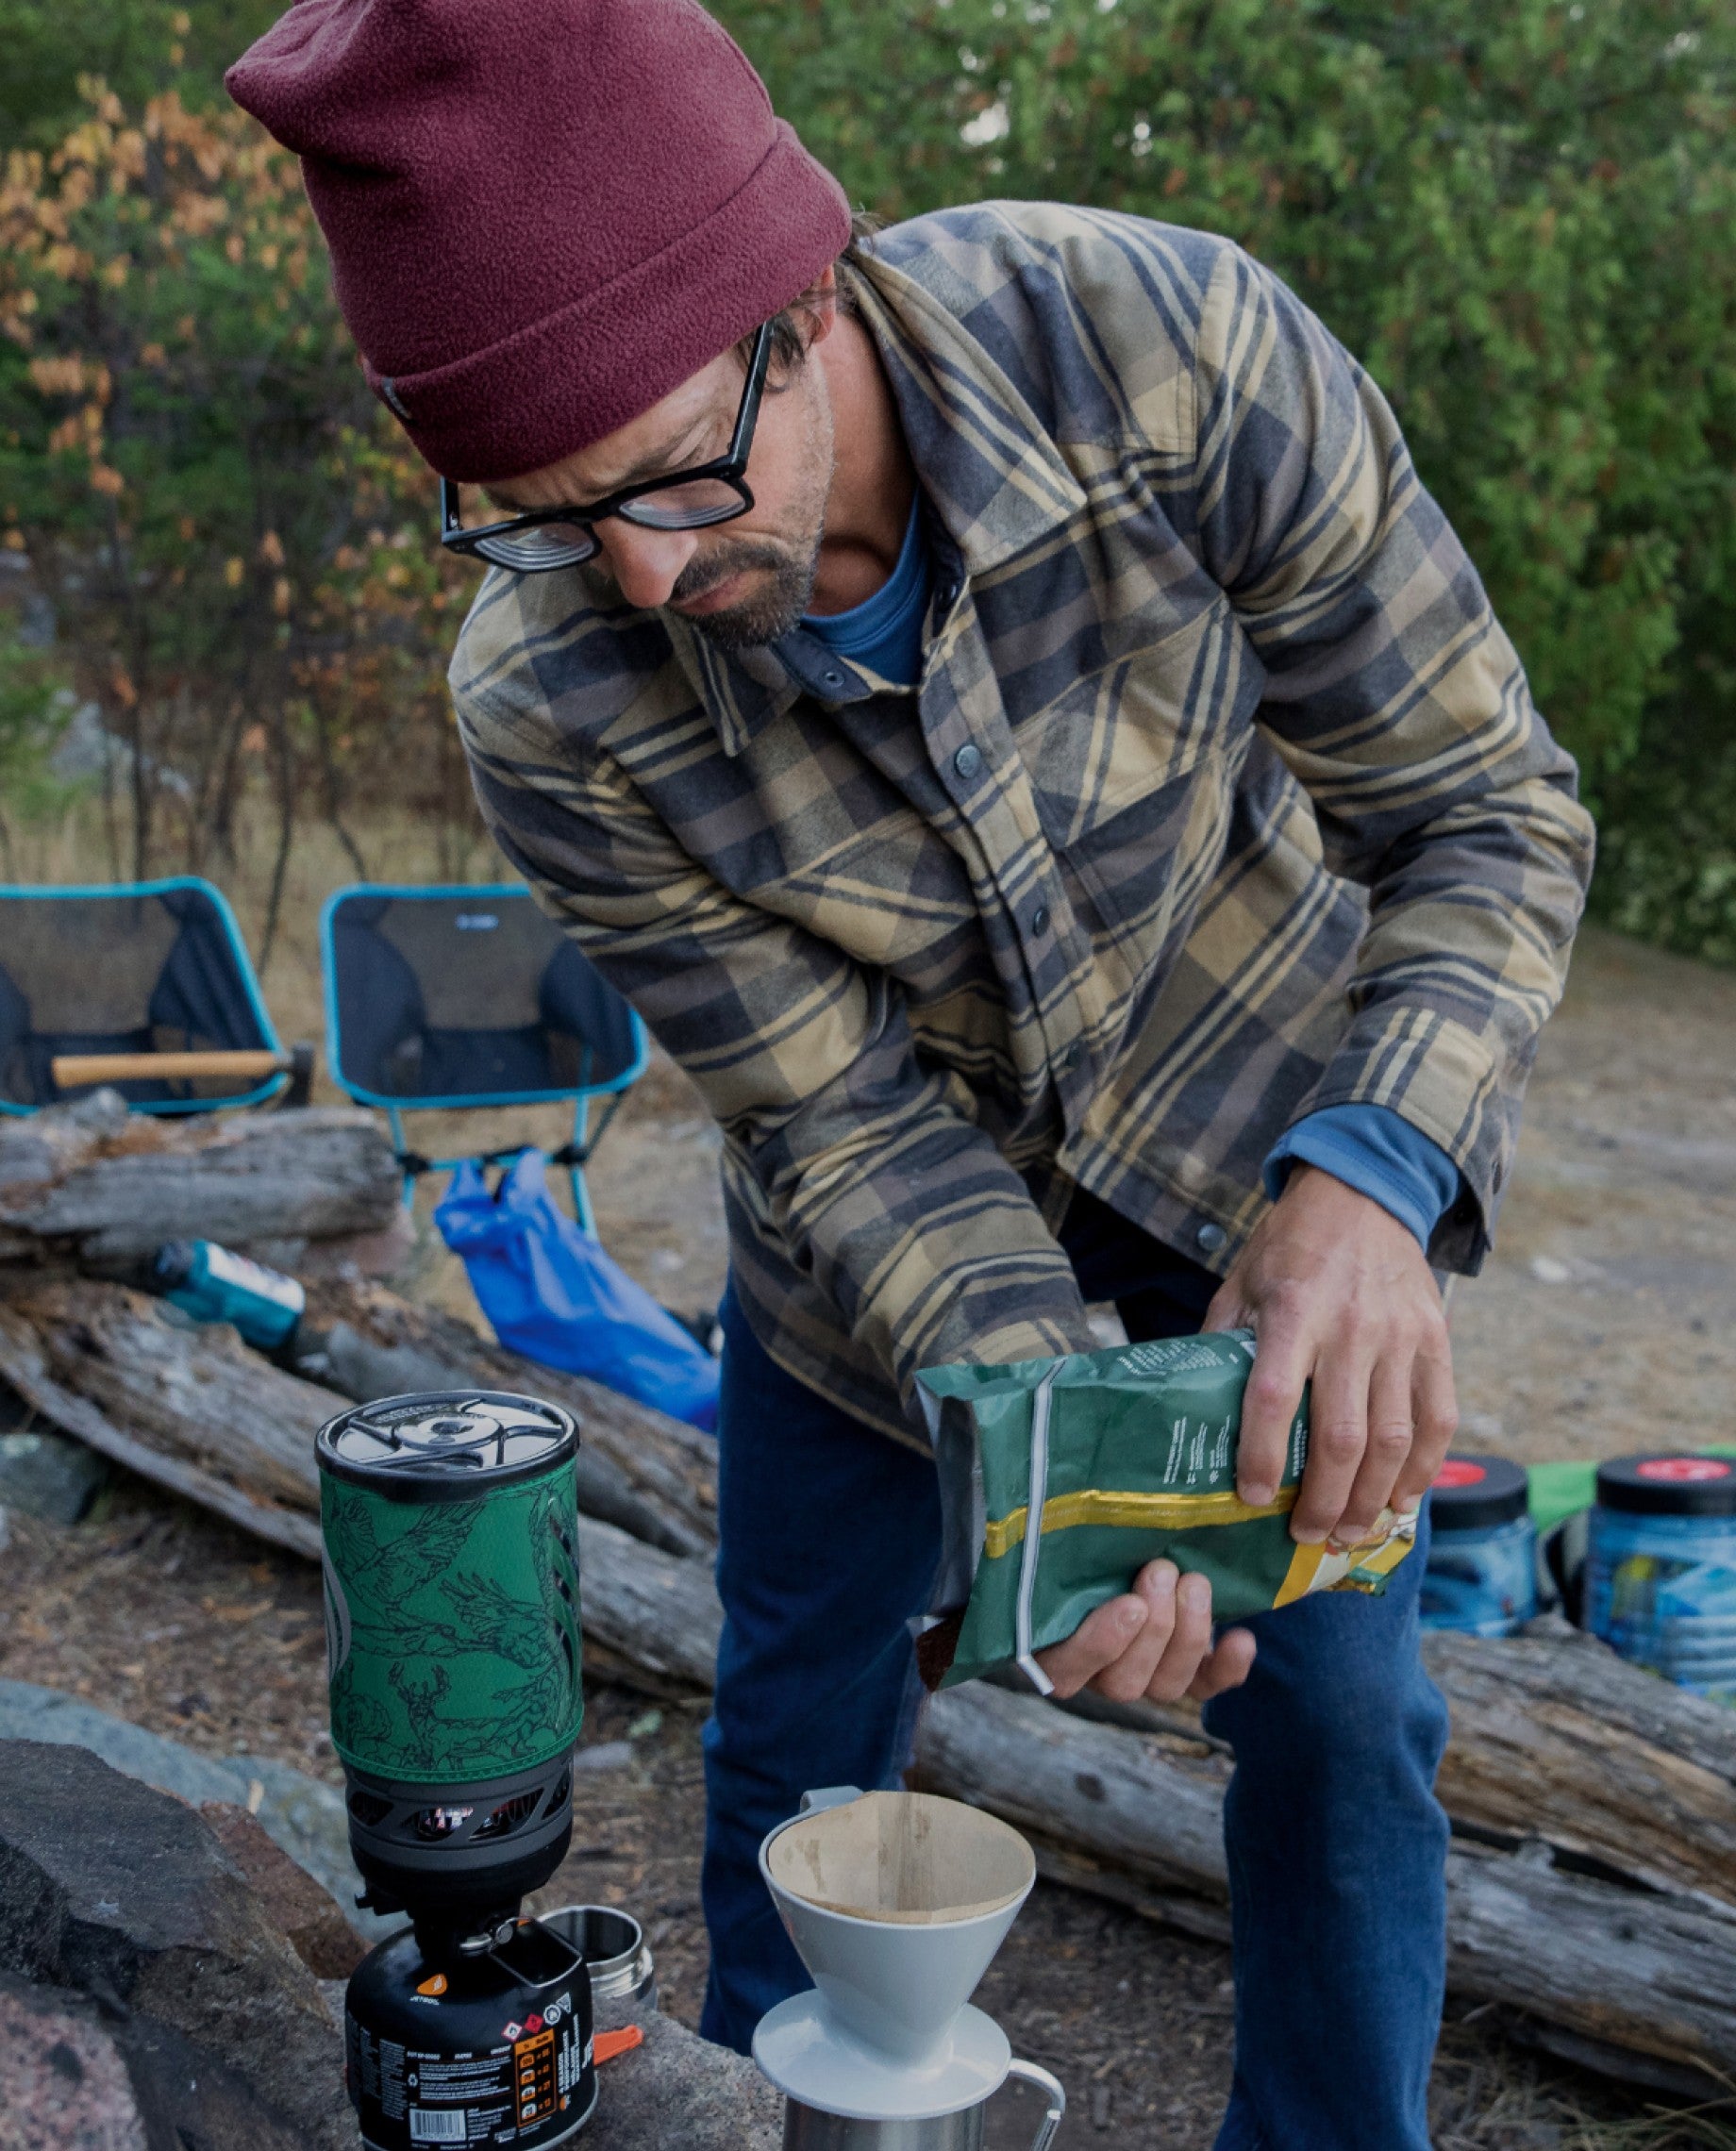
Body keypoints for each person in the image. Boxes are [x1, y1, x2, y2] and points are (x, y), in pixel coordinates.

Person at [230, 3, 1594, 2143]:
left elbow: (1482, 808)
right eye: (539, 516)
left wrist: (1375, 1177)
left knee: (1337, 1722)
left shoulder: (1163, 345)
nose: (648, 580)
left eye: (670, 478)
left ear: (805, 293)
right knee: (796, 1720)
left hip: (1258, 1170)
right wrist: (1052, 1467)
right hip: (859, 1271)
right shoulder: (549, 695)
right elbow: (842, 1115)